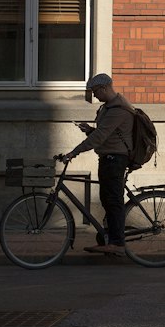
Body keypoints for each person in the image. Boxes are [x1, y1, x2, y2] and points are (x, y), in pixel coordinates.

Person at [62, 73, 135, 254]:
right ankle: (108, 239)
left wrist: (74, 152)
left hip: (115, 160)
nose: (94, 95)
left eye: (95, 91)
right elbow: (104, 134)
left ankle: (117, 244)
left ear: (104, 88)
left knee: (113, 201)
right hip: (108, 158)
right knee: (108, 201)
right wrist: (90, 130)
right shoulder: (109, 107)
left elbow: (99, 137)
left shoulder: (118, 109)